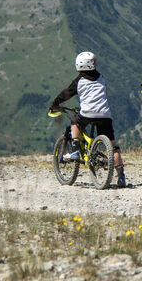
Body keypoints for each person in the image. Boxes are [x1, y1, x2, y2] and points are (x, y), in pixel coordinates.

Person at [50, 51, 127, 188]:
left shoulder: (79, 81)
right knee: (113, 146)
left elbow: (66, 93)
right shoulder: (101, 77)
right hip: (105, 114)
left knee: (75, 122)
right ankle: (121, 176)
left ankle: (75, 150)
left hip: (87, 114)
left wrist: (55, 104)